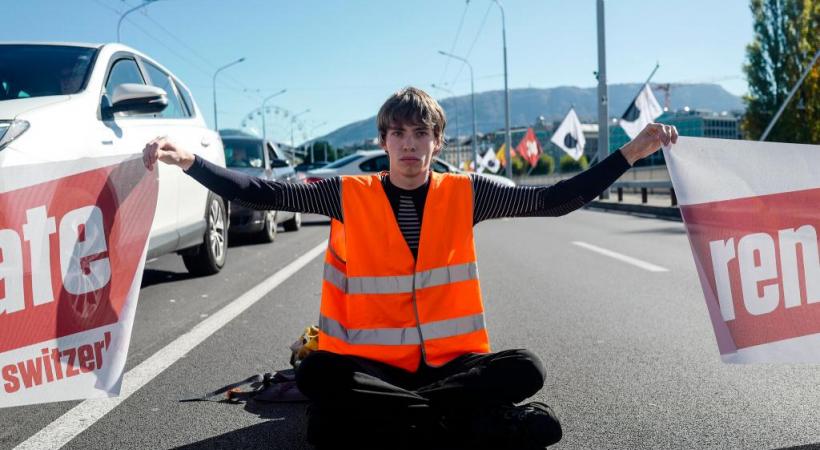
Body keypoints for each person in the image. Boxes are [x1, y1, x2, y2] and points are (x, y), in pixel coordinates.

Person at [143, 87, 677, 449]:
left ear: (436, 142)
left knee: (526, 367)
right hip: (373, 366)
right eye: (398, 134)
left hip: (452, 363)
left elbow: (556, 199)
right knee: (317, 376)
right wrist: (192, 161)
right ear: (383, 142)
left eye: (420, 134)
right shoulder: (347, 194)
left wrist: (633, 151)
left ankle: (414, 419)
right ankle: (464, 424)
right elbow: (263, 191)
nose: (409, 145)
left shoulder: (466, 194)